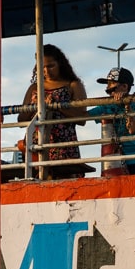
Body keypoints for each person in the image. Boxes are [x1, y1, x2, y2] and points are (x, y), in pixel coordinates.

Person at [18, 44, 87, 178]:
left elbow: (82, 118)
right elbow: (21, 120)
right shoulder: (34, 87)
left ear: (60, 64)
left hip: (64, 145)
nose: (46, 71)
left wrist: (57, 106)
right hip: (37, 146)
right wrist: (37, 105)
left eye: (50, 66)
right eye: (42, 67)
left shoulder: (73, 85)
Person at [91, 66, 135, 175]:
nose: (108, 88)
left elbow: (132, 129)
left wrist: (127, 105)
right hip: (114, 160)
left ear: (124, 86)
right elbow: (82, 118)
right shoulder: (105, 105)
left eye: (111, 84)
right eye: (107, 84)